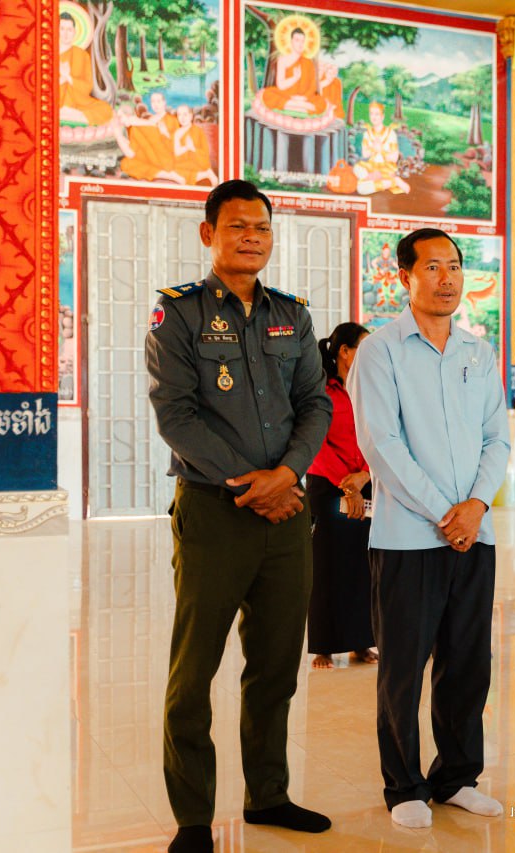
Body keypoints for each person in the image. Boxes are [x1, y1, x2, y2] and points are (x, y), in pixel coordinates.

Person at [145, 180, 334, 853]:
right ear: (209, 234)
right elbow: (175, 414)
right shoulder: (179, 314)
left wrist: (288, 475)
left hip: (287, 514)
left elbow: (316, 403)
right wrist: (249, 483)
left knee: (276, 665)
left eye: (261, 227)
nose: (251, 237)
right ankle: (193, 818)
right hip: (214, 513)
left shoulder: (293, 316)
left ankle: (269, 794)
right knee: (193, 672)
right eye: (237, 226)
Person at [347, 228, 511, 829]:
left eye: (455, 266)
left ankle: (457, 777)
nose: (447, 278)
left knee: (467, 664)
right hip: (409, 539)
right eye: (433, 267)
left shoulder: (478, 351)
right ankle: (404, 785)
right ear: (405, 278)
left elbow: (498, 438)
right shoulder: (381, 351)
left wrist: (476, 506)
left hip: (474, 535)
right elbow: (381, 444)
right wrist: (447, 511)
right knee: (403, 668)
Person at [306, 322, 375, 670]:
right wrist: (346, 484)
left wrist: (365, 474)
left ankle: (361, 643)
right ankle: (324, 646)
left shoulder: (371, 388)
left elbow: (380, 434)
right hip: (327, 485)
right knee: (328, 566)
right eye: (364, 346)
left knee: (363, 564)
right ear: (345, 352)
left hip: (366, 483)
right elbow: (314, 442)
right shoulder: (321, 390)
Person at [260, 27, 328, 116]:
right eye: (297, 40)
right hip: (286, 95)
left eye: (302, 41)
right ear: (291, 41)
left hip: (304, 98)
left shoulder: (308, 62)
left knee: (322, 102)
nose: (300, 44)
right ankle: (302, 107)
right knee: (267, 94)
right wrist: (294, 78)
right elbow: (281, 85)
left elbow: (312, 86)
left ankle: (293, 106)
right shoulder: (282, 60)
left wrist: (303, 98)